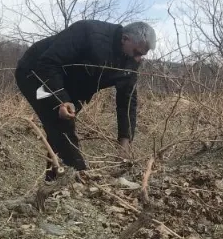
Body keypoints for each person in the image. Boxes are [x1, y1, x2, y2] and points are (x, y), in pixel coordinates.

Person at [15, 20, 156, 182]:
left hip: (73, 87)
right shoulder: (88, 32)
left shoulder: (131, 62)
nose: (138, 59)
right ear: (124, 39)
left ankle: (54, 180)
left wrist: (125, 139)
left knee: (60, 129)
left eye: (142, 55)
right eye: (137, 53)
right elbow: (48, 63)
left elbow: (128, 99)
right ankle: (77, 178)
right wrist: (61, 99)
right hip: (36, 75)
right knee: (61, 124)